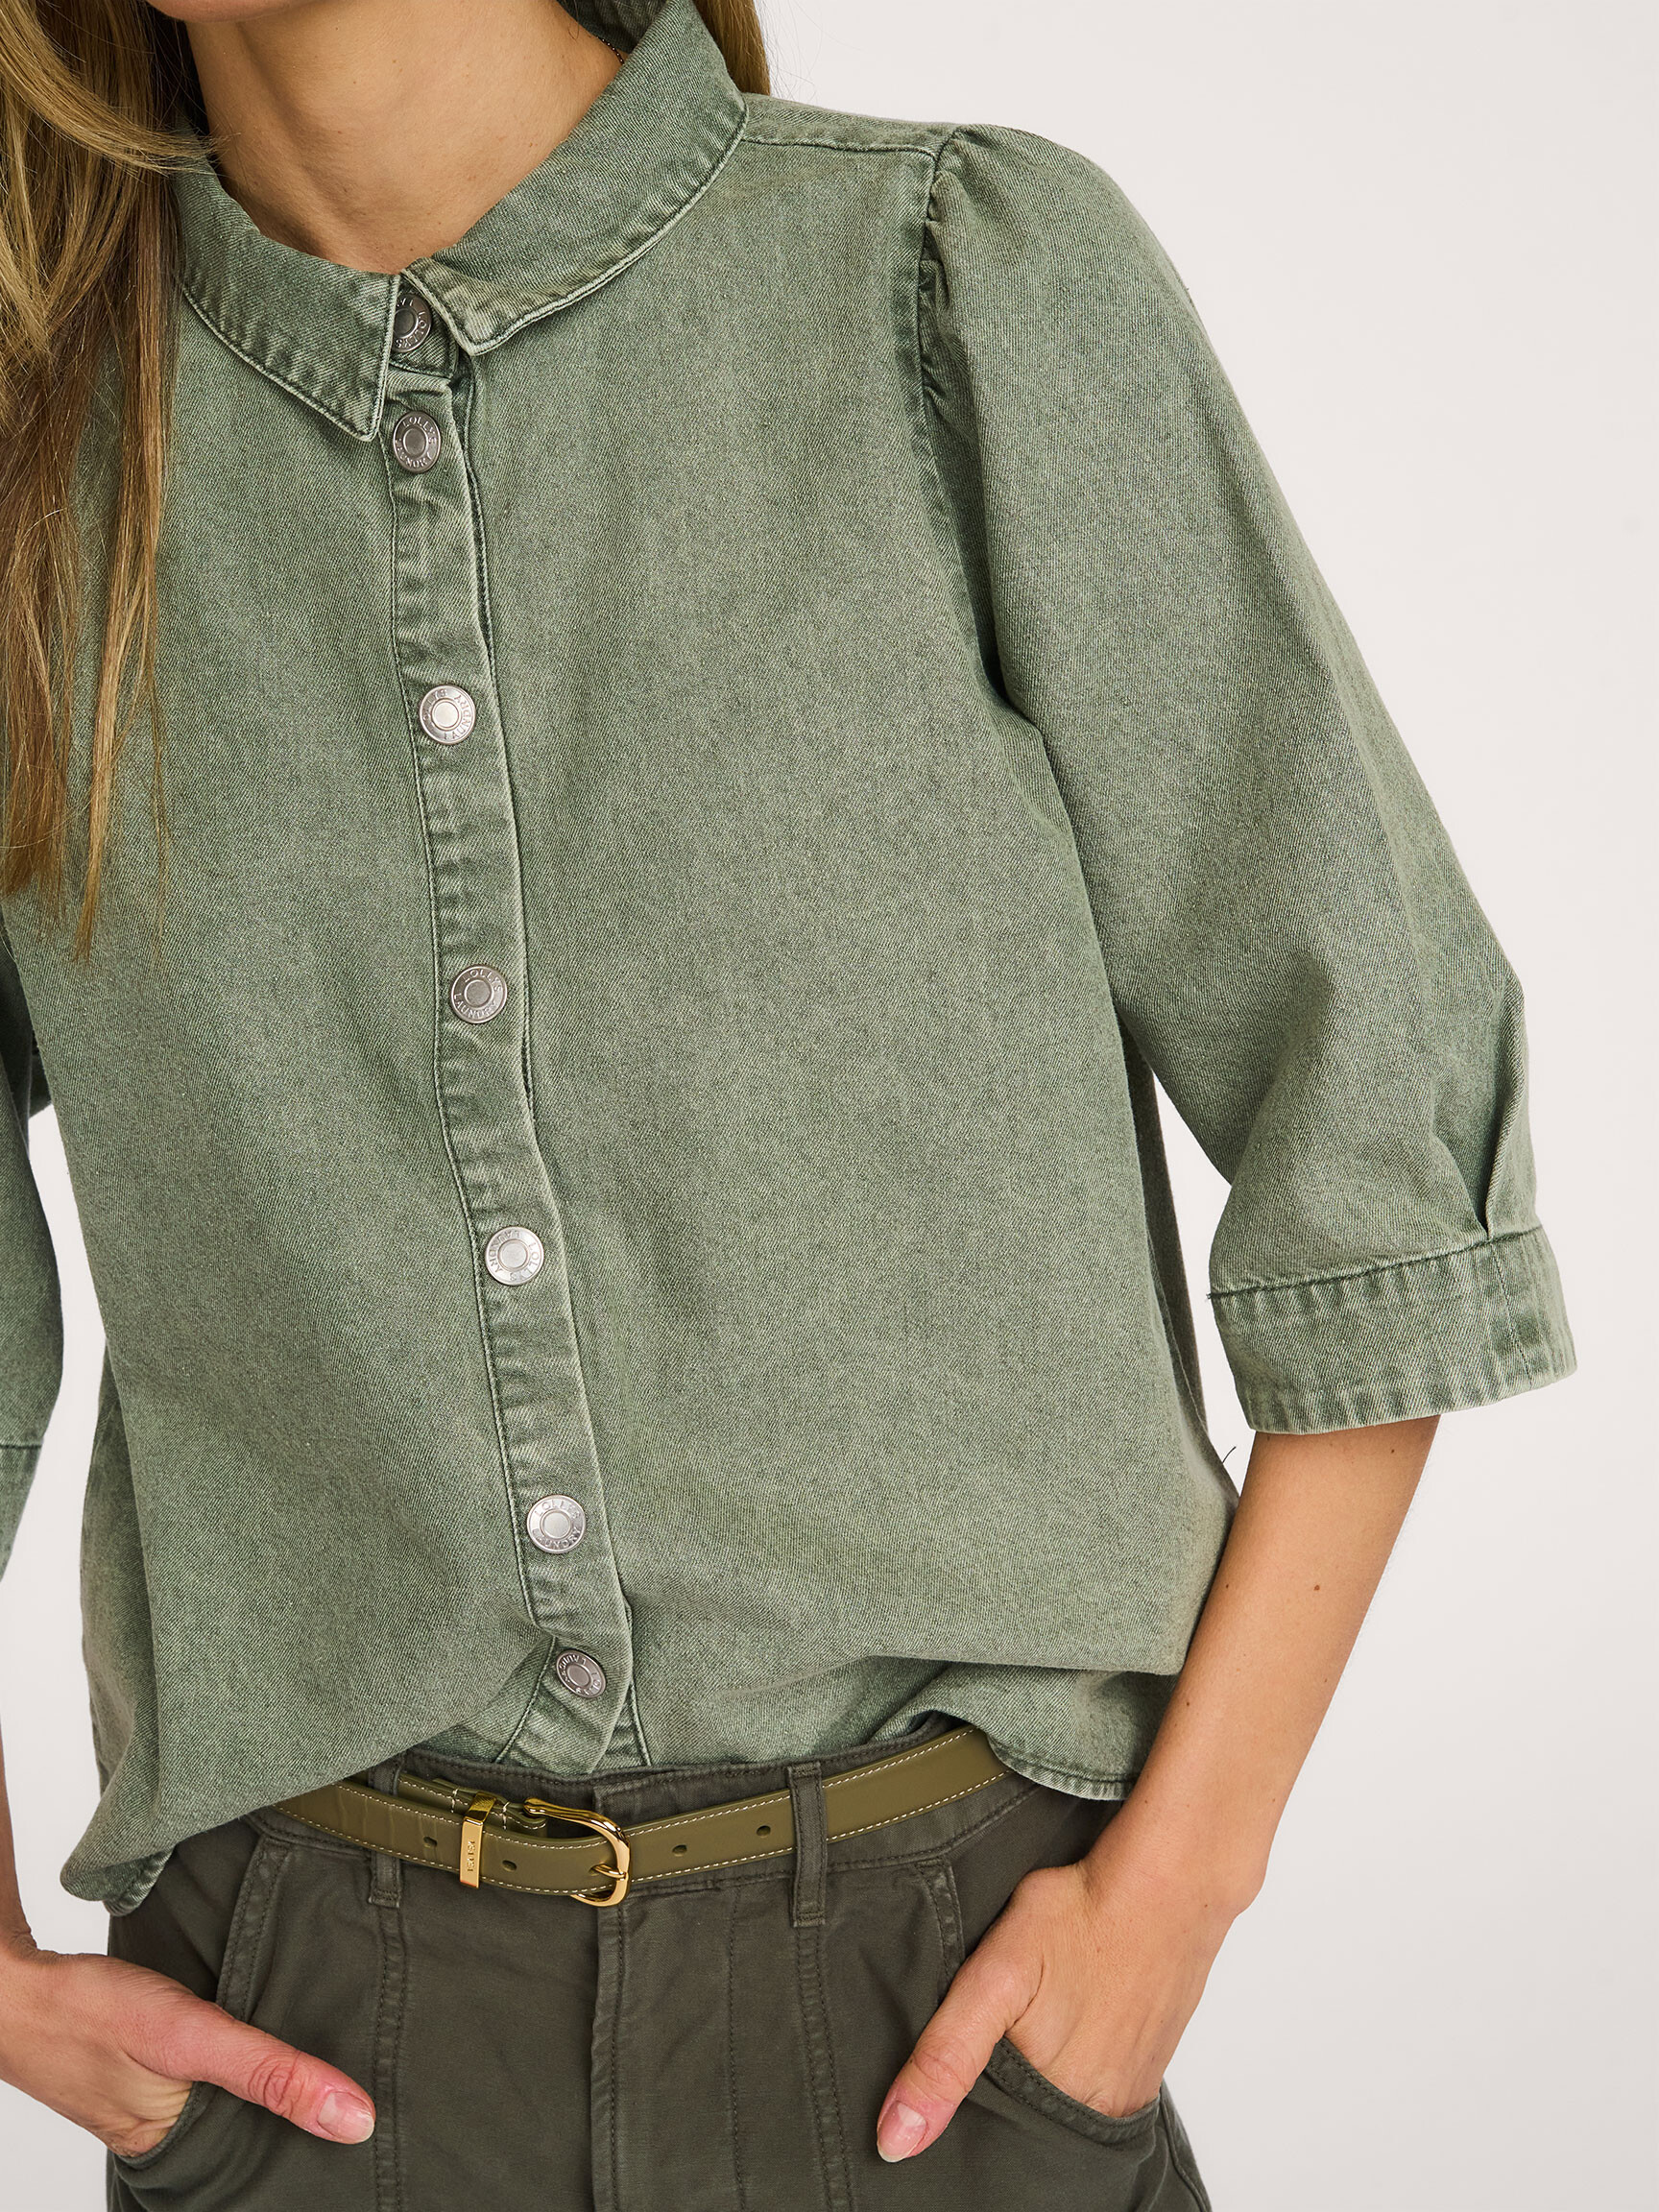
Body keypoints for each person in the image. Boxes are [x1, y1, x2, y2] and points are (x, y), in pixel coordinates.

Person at [0, 1, 1575, 2205]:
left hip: (947, 2009)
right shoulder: (43, 454)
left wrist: (1176, 1899)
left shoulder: (940, 281)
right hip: (305, 2035)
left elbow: (1379, 1126)